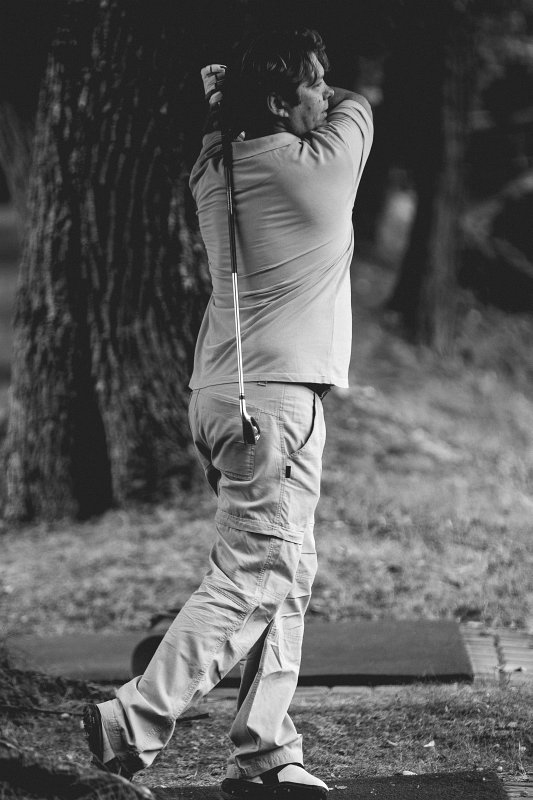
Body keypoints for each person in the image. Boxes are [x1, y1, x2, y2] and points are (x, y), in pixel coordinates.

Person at [83, 28, 373, 799]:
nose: (325, 93)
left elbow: (235, 129)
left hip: (221, 393)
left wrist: (233, 101)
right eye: (311, 82)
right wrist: (250, 94)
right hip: (274, 403)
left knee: (288, 569)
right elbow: (358, 106)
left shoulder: (213, 166)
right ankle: (131, 722)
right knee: (253, 575)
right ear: (278, 100)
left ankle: (266, 752)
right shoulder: (317, 168)